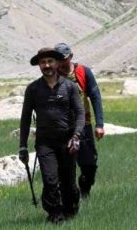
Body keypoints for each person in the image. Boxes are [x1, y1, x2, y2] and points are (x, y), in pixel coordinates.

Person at [19, 47, 85, 224]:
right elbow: (25, 119)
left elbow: (80, 113)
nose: (46, 65)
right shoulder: (33, 89)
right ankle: (54, 213)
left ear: (57, 63)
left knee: (68, 182)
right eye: (43, 62)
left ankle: (71, 209)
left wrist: (76, 136)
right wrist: (23, 146)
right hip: (44, 143)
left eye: (50, 61)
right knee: (49, 180)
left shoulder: (70, 87)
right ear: (39, 65)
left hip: (68, 141)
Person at [54, 42, 105, 198]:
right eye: (58, 59)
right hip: (61, 128)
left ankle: (85, 190)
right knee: (64, 165)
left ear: (71, 56)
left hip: (84, 125)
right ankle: (68, 196)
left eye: (63, 59)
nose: (61, 63)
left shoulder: (83, 72)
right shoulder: (51, 74)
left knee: (89, 163)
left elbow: (95, 97)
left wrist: (100, 124)